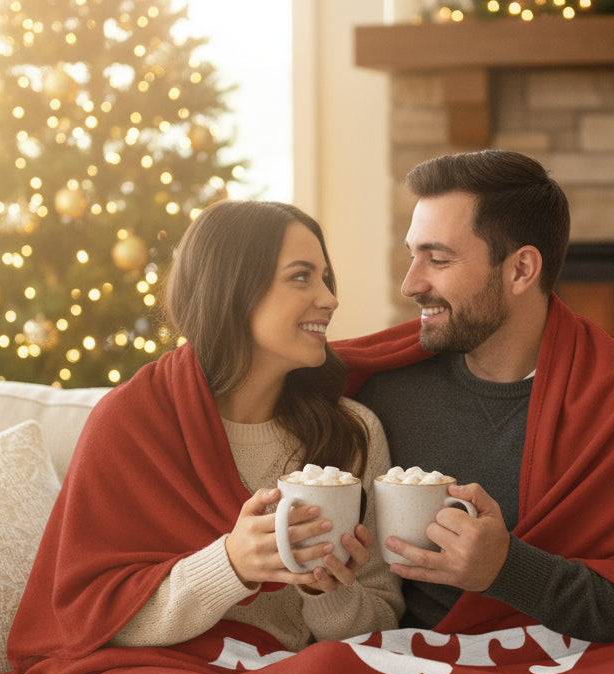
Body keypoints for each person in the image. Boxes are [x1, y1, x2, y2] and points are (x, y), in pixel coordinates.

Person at [349, 150, 614, 644]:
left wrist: (508, 569)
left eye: (439, 259)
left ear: (520, 270)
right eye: (412, 255)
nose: (411, 284)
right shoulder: (383, 390)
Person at [109, 200, 403, 650]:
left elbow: (382, 628)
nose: (330, 299)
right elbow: (96, 622)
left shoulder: (353, 433)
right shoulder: (134, 422)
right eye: (301, 276)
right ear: (234, 290)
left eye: (326, 278)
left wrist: (324, 592)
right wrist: (230, 565)